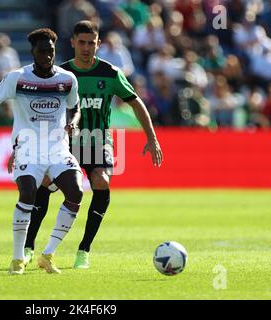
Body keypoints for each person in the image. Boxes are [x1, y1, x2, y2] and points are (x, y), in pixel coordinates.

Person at [12, 20, 163, 269]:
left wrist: (152, 137)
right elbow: (39, 112)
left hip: (97, 140)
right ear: (72, 43)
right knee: (46, 184)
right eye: (81, 42)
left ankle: (84, 250)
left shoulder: (111, 73)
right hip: (64, 142)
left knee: (102, 181)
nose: (86, 47)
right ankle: (28, 247)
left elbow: (136, 102)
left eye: (91, 43)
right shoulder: (60, 74)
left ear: (98, 44)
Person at [0, 28, 83, 275]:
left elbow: (75, 107)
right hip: (27, 148)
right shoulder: (17, 78)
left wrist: (73, 122)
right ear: (32, 52)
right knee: (27, 193)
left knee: (75, 192)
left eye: (51, 51)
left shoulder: (67, 79)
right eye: (42, 51)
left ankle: (48, 254)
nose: (47, 56)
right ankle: (18, 258)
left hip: (57, 147)